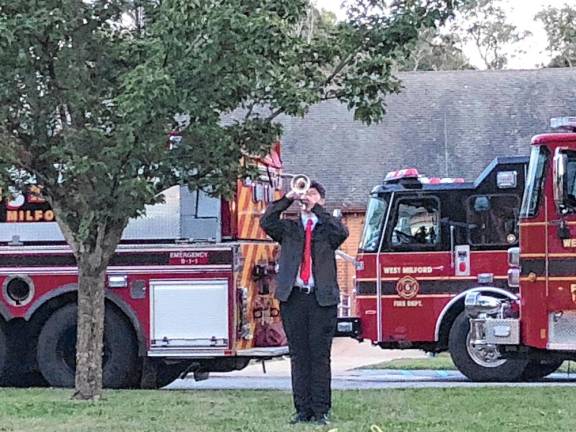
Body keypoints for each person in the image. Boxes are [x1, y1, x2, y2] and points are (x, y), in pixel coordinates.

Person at [260, 180, 349, 426]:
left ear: (321, 199)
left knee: (319, 356)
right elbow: (266, 221)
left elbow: (342, 234)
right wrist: (288, 197)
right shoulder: (289, 229)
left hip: (322, 299)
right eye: (304, 193)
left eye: (311, 193)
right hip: (294, 297)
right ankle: (302, 410)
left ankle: (321, 410)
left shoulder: (327, 229)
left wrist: (317, 209)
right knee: (299, 356)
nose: (306, 197)